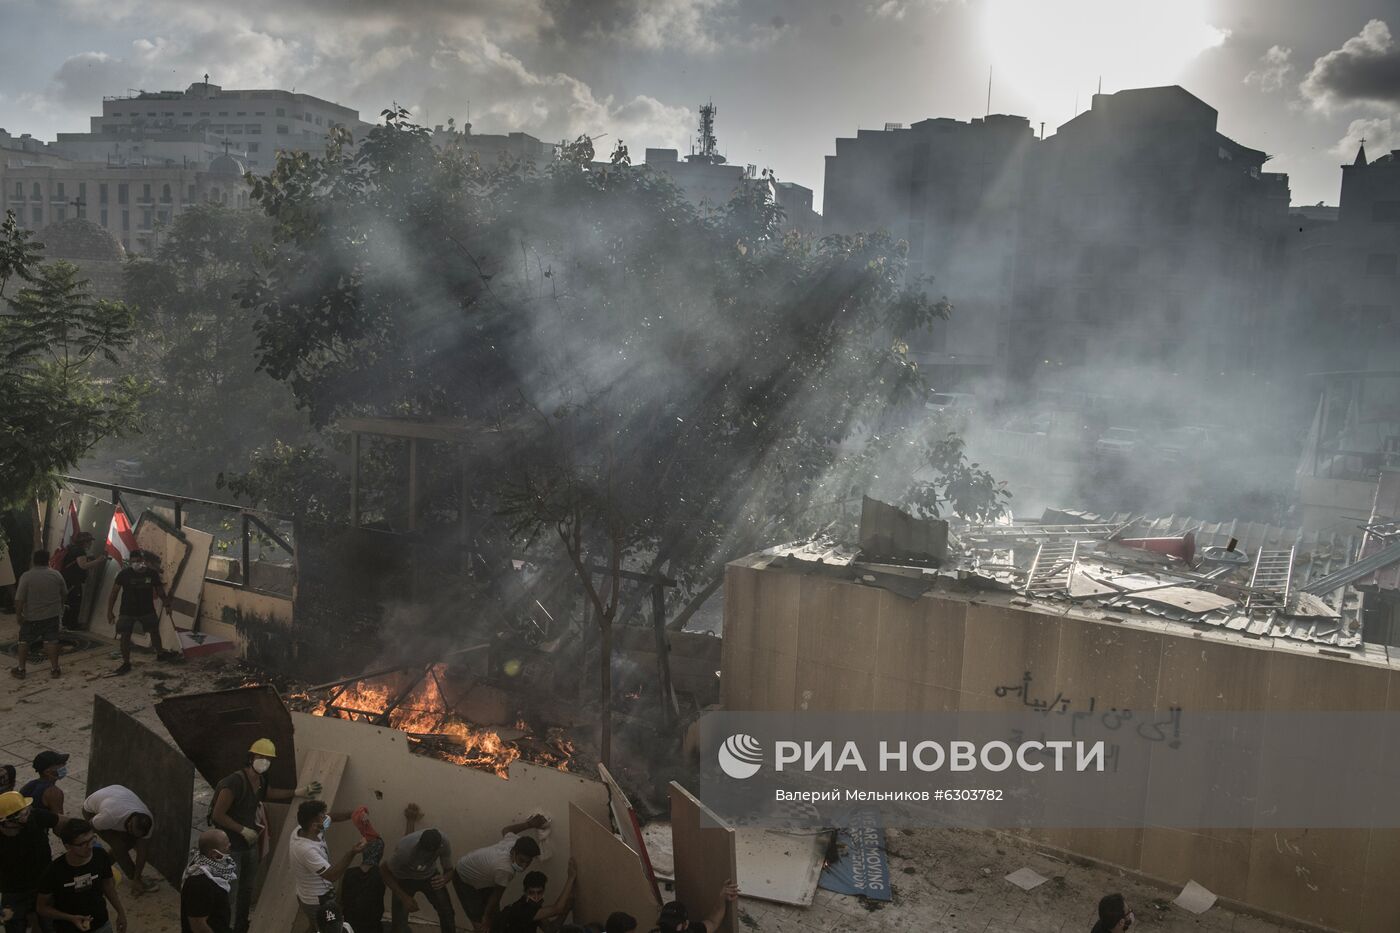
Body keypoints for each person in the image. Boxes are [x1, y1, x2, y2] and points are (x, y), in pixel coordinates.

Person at [209, 739, 321, 933]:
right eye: (261, 757)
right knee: (231, 890)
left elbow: (269, 793)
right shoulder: (233, 783)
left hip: (248, 844)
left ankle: (241, 925)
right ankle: (225, 927)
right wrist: (241, 829)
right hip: (231, 846)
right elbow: (217, 815)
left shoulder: (261, 780)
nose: (264, 762)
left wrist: (297, 792)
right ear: (251, 757)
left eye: (268, 759)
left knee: (247, 888)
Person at [452, 815, 548, 933]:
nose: (523, 866)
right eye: (521, 860)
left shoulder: (514, 842)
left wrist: (529, 824)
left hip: (480, 874)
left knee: (494, 920)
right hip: (464, 878)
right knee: (481, 925)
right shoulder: (505, 870)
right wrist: (486, 918)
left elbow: (506, 830)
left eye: (527, 863)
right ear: (513, 852)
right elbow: (496, 896)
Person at [36, 819, 126, 933]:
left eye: (91, 840)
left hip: (101, 924)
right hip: (68, 928)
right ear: (68, 846)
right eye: (82, 844)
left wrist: (121, 912)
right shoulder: (54, 871)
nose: (89, 846)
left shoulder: (100, 856)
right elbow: (42, 908)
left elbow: (108, 885)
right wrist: (71, 918)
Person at [290, 800, 363, 933]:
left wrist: (353, 814)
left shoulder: (305, 829)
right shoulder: (306, 849)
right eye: (322, 817)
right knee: (325, 929)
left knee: (315, 927)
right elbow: (332, 875)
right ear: (314, 826)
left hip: (307, 894)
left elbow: (332, 817)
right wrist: (352, 852)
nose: (326, 818)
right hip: (317, 900)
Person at [382, 812, 454, 933]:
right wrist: (403, 896)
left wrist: (445, 878)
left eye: (428, 853)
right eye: (422, 851)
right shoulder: (404, 850)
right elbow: (384, 870)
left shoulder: (444, 843)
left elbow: (449, 870)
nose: (424, 855)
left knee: (447, 912)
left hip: (429, 876)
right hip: (404, 879)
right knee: (399, 924)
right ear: (419, 844)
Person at [0, 789, 61, 933]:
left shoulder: (35, 817)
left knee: (50, 925)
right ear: (6, 821)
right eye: (23, 814)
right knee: (14, 927)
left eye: (26, 810)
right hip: (13, 892)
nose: (28, 815)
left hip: (43, 885)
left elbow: (63, 822)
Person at [108, 550, 177, 674]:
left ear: (143, 561)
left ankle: (160, 654)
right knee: (125, 636)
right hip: (127, 611)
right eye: (133, 562)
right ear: (130, 562)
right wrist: (109, 611)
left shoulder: (152, 574)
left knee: (154, 632)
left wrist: (167, 604)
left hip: (147, 610)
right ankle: (126, 663)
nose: (136, 564)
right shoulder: (124, 574)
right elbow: (114, 593)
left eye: (138, 561)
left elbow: (160, 590)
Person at [81, 786, 157, 897]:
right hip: (92, 811)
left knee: (129, 843)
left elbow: (142, 852)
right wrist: (88, 846)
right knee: (119, 846)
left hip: (115, 796)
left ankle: (100, 869)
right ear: (129, 823)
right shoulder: (109, 817)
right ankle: (132, 877)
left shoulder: (147, 819)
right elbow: (90, 825)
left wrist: (138, 875)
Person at [12, 550, 65, 680]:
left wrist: (18, 614)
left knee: (24, 641)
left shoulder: (27, 576)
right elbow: (64, 593)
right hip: (52, 615)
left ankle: (21, 669)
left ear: (33, 560)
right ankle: (55, 669)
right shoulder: (56, 575)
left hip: (32, 616)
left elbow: (19, 599)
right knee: (51, 641)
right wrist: (60, 606)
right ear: (48, 560)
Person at [181, 829, 237, 933]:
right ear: (214, 854)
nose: (230, 847)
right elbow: (198, 926)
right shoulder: (199, 884)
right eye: (226, 846)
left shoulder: (210, 867)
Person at [494, 863, 575, 933]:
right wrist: (571, 878)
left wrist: (566, 910)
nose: (536, 897)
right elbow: (557, 909)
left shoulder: (533, 907)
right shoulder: (523, 909)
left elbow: (550, 929)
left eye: (539, 892)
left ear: (543, 891)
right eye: (531, 893)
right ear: (525, 892)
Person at [58, 533, 106, 631]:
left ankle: (66, 623)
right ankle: (71, 624)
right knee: (74, 602)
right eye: (90, 542)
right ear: (85, 542)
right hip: (73, 581)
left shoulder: (72, 549)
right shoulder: (79, 551)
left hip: (67, 580)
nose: (91, 544)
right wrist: (98, 561)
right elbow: (83, 565)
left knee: (68, 601)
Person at [652, 882, 738, 933]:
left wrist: (722, 897)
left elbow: (712, 922)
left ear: (686, 924)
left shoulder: (691, 930)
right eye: (665, 926)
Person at [341, 837, 386, 933]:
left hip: (350, 923)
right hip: (372, 925)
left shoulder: (349, 873)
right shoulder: (381, 876)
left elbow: (340, 900)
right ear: (380, 854)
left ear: (364, 852)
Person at [20, 751, 68, 816]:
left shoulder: (29, 785)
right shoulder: (54, 792)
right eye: (59, 764)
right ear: (47, 772)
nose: (64, 765)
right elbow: (59, 820)